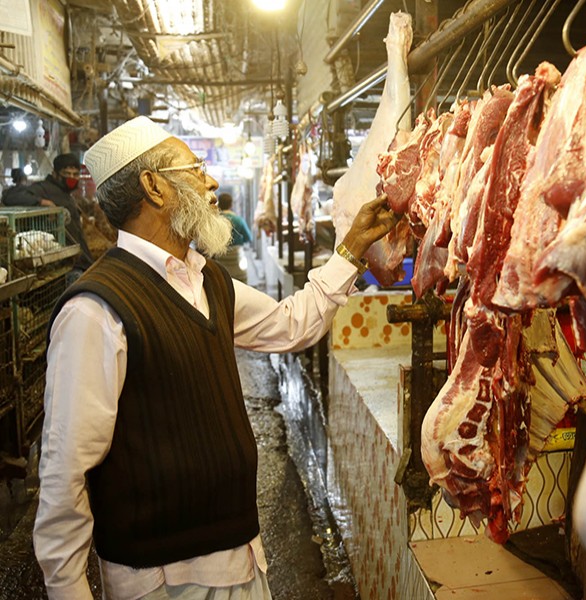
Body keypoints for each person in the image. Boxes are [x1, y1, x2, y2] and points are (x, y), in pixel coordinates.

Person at [33, 116, 398, 600]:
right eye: (196, 168)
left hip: (240, 553)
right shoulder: (95, 310)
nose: (211, 181)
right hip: (163, 579)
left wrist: (351, 248)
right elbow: (65, 473)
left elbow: (292, 324)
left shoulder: (206, 281)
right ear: (154, 187)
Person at [26, 153, 95, 274]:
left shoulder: (67, 195)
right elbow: (11, 196)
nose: (72, 178)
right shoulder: (43, 189)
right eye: (67, 174)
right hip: (63, 264)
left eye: (75, 174)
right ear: (55, 174)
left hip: (77, 259)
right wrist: (42, 202)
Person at [216, 191, 253, 282]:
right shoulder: (238, 220)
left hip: (219, 255)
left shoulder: (215, 220)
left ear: (219, 204)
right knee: (241, 281)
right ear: (231, 205)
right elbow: (248, 237)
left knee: (222, 281)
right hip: (236, 256)